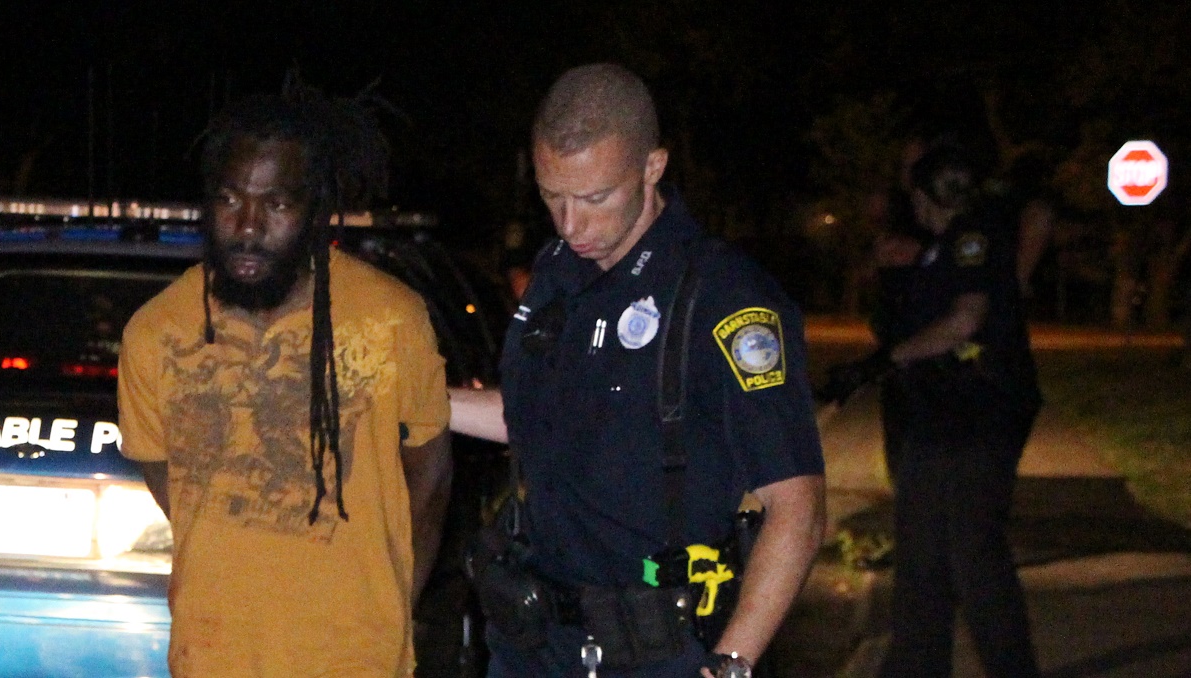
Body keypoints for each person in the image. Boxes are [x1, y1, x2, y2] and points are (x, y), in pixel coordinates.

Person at [451, 63, 825, 678]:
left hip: (660, 652)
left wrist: (731, 664)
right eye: (552, 197)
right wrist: (422, 401)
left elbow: (797, 508)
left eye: (595, 198)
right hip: (533, 647)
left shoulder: (722, 297)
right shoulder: (556, 276)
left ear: (652, 168)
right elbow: (538, 419)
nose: (571, 224)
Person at [116, 86, 453, 677]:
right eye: (230, 199)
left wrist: (390, 606)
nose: (248, 226)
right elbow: (171, 481)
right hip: (214, 657)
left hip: (356, 660)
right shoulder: (155, 333)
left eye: (276, 204)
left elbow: (429, 477)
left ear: (315, 210)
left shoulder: (391, 319)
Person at [869, 145, 1042, 678]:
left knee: (973, 550)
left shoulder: (972, 240)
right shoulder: (939, 247)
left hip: (979, 412)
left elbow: (965, 320)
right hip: (938, 410)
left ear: (927, 195)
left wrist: (892, 357)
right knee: (921, 544)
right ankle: (915, 665)